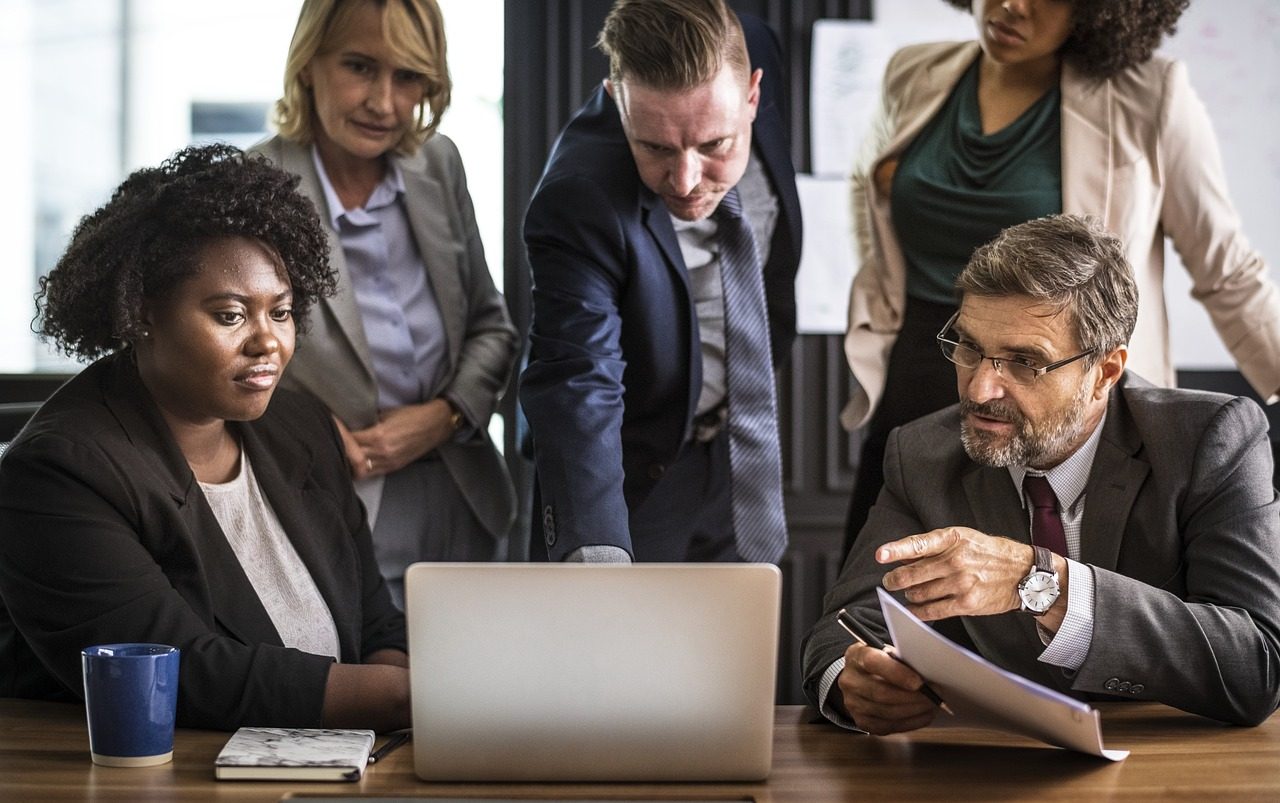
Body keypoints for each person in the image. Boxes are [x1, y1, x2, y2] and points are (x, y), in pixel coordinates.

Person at [804, 214, 1280, 731]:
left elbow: (1256, 665)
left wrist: (1045, 584)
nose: (980, 389)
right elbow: (845, 627)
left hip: (1169, 762)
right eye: (969, 348)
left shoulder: (1208, 439)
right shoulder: (921, 452)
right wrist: (854, 683)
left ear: (1105, 372)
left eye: (1025, 362)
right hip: (993, 765)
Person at [841, 0, 1280, 554]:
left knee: (1052, 603)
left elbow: (1229, 271)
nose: (1011, 6)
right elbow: (873, 206)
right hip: (924, 372)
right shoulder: (914, 71)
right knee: (884, 593)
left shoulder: (1149, 95)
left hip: (1058, 390)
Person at [0, 144, 410, 732]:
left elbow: (376, 624)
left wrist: (394, 720)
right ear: (141, 315)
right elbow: (184, 676)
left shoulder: (303, 428)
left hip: (337, 764)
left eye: (282, 312)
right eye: (230, 315)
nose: (268, 342)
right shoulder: (61, 472)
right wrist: (402, 700)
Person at [253, 0, 518, 602]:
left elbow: (492, 326)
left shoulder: (439, 161)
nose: (386, 102)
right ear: (309, 63)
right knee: (380, 692)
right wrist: (317, 431)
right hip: (330, 502)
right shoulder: (257, 184)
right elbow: (227, 366)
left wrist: (445, 414)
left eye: (408, 76)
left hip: (466, 498)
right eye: (360, 67)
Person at [520, 0, 802, 563]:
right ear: (616, 98)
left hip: (739, 452)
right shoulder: (579, 196)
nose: (686, 180)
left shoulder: (755, 46)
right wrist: (595, 551)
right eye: (655, 147)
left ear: (753, 95)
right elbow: (578, 378)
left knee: (734, 646)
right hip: (630, 476)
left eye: (715, 145)